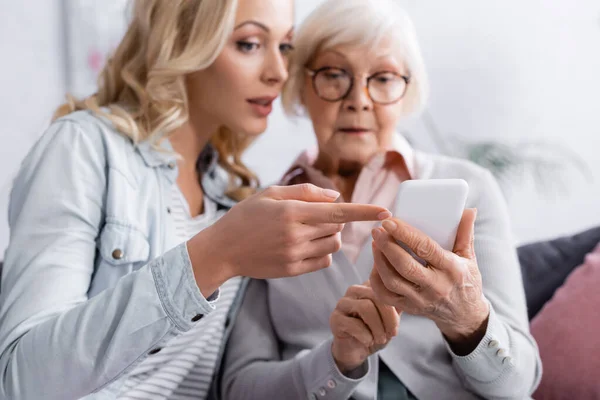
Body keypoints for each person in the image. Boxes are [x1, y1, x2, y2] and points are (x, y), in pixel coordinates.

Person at [0, 1, 392, 399]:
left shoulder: (234, 197)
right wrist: (213, 256)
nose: (278, 72)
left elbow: (232, 390)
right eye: (250, 43)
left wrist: (340, 361)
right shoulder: (84, 148)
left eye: (285, 47)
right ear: (184, 41)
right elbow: (21, 381)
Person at [222, 0, 542, 399]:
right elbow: (238, 388)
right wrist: (335, 362)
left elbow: (519, 382)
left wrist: (467, 320)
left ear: (408, 89)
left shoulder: (470, 187)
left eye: (384, 77)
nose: (359, 99)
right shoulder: (266, 211)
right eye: (334, 75)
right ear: (300, 86)